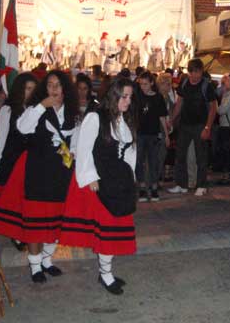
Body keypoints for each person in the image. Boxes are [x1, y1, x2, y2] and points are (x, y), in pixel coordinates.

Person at [0, 70, 79, 283]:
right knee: (35, 222)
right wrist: (41, 106)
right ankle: (35, 265)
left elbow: (76, 140)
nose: (54, 89)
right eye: (50, 85)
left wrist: (72, 152)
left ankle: (47, 260)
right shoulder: (33, 110)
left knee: (56, 221)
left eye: (58, 85)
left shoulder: (73, 114)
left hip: (61, 173)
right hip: (37, 171)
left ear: (65, 89)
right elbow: (23, 128)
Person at [60, 78, 137, 296]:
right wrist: (89, 176)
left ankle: (106, 272)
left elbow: (130, 151)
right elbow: (84, 148)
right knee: (107, 232)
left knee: (113, 230)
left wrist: (131, 176)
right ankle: (105, 275)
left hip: (120, 181)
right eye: (124, 96)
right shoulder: (95, 117)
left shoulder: (124, 119)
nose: (128, 101)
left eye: (130, 97)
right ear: (113, 96)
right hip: (101, 182)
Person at [0, 73, 38, 216]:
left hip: (31, 161)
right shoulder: (8, 110)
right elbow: (1, 138)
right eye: (27, 88)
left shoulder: (37, 110)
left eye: (33, 89)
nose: (30, 92)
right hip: (12, 158)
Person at [168, 59, 217, 196]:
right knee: (180, 155)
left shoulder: (206, 86)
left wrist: (207, 127)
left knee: (200, 156)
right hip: (185, 124)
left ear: (202, 71)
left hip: (200, 125)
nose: (196, 75)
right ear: (189, 72)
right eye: (193, 72)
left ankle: (201, 185)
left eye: (198, 72)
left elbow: (213, 107)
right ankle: (180, 184)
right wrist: (172, 119)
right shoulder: (184, 84)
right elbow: (179, 103)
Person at [136, 72, 170, 202]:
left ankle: (154, 187)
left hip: (153, 134)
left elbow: (162, 117)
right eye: (141, 84)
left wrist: (166, 135)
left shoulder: (158, 98)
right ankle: (143, 187)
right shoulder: (137, 97)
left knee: (153, 161)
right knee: (140, 161)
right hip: (140, 134)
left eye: (145, 84)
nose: (143, 87)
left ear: (151, 83)